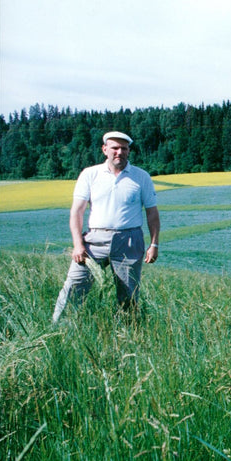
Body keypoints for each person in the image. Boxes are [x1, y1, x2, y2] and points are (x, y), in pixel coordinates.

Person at [52, 131, 160, 323]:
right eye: (115, 148)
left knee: (128, 294)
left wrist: (154, 244)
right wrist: (78, 245)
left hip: (129, 241)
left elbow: (152, 213)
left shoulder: (141, 177)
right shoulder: (90, 174)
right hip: (94, 241)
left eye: (124, 148)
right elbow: (77, 212)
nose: (119, 152)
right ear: (105, 150)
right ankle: (58, 329)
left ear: (129, 151)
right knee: (75, 285)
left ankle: (129, 336)